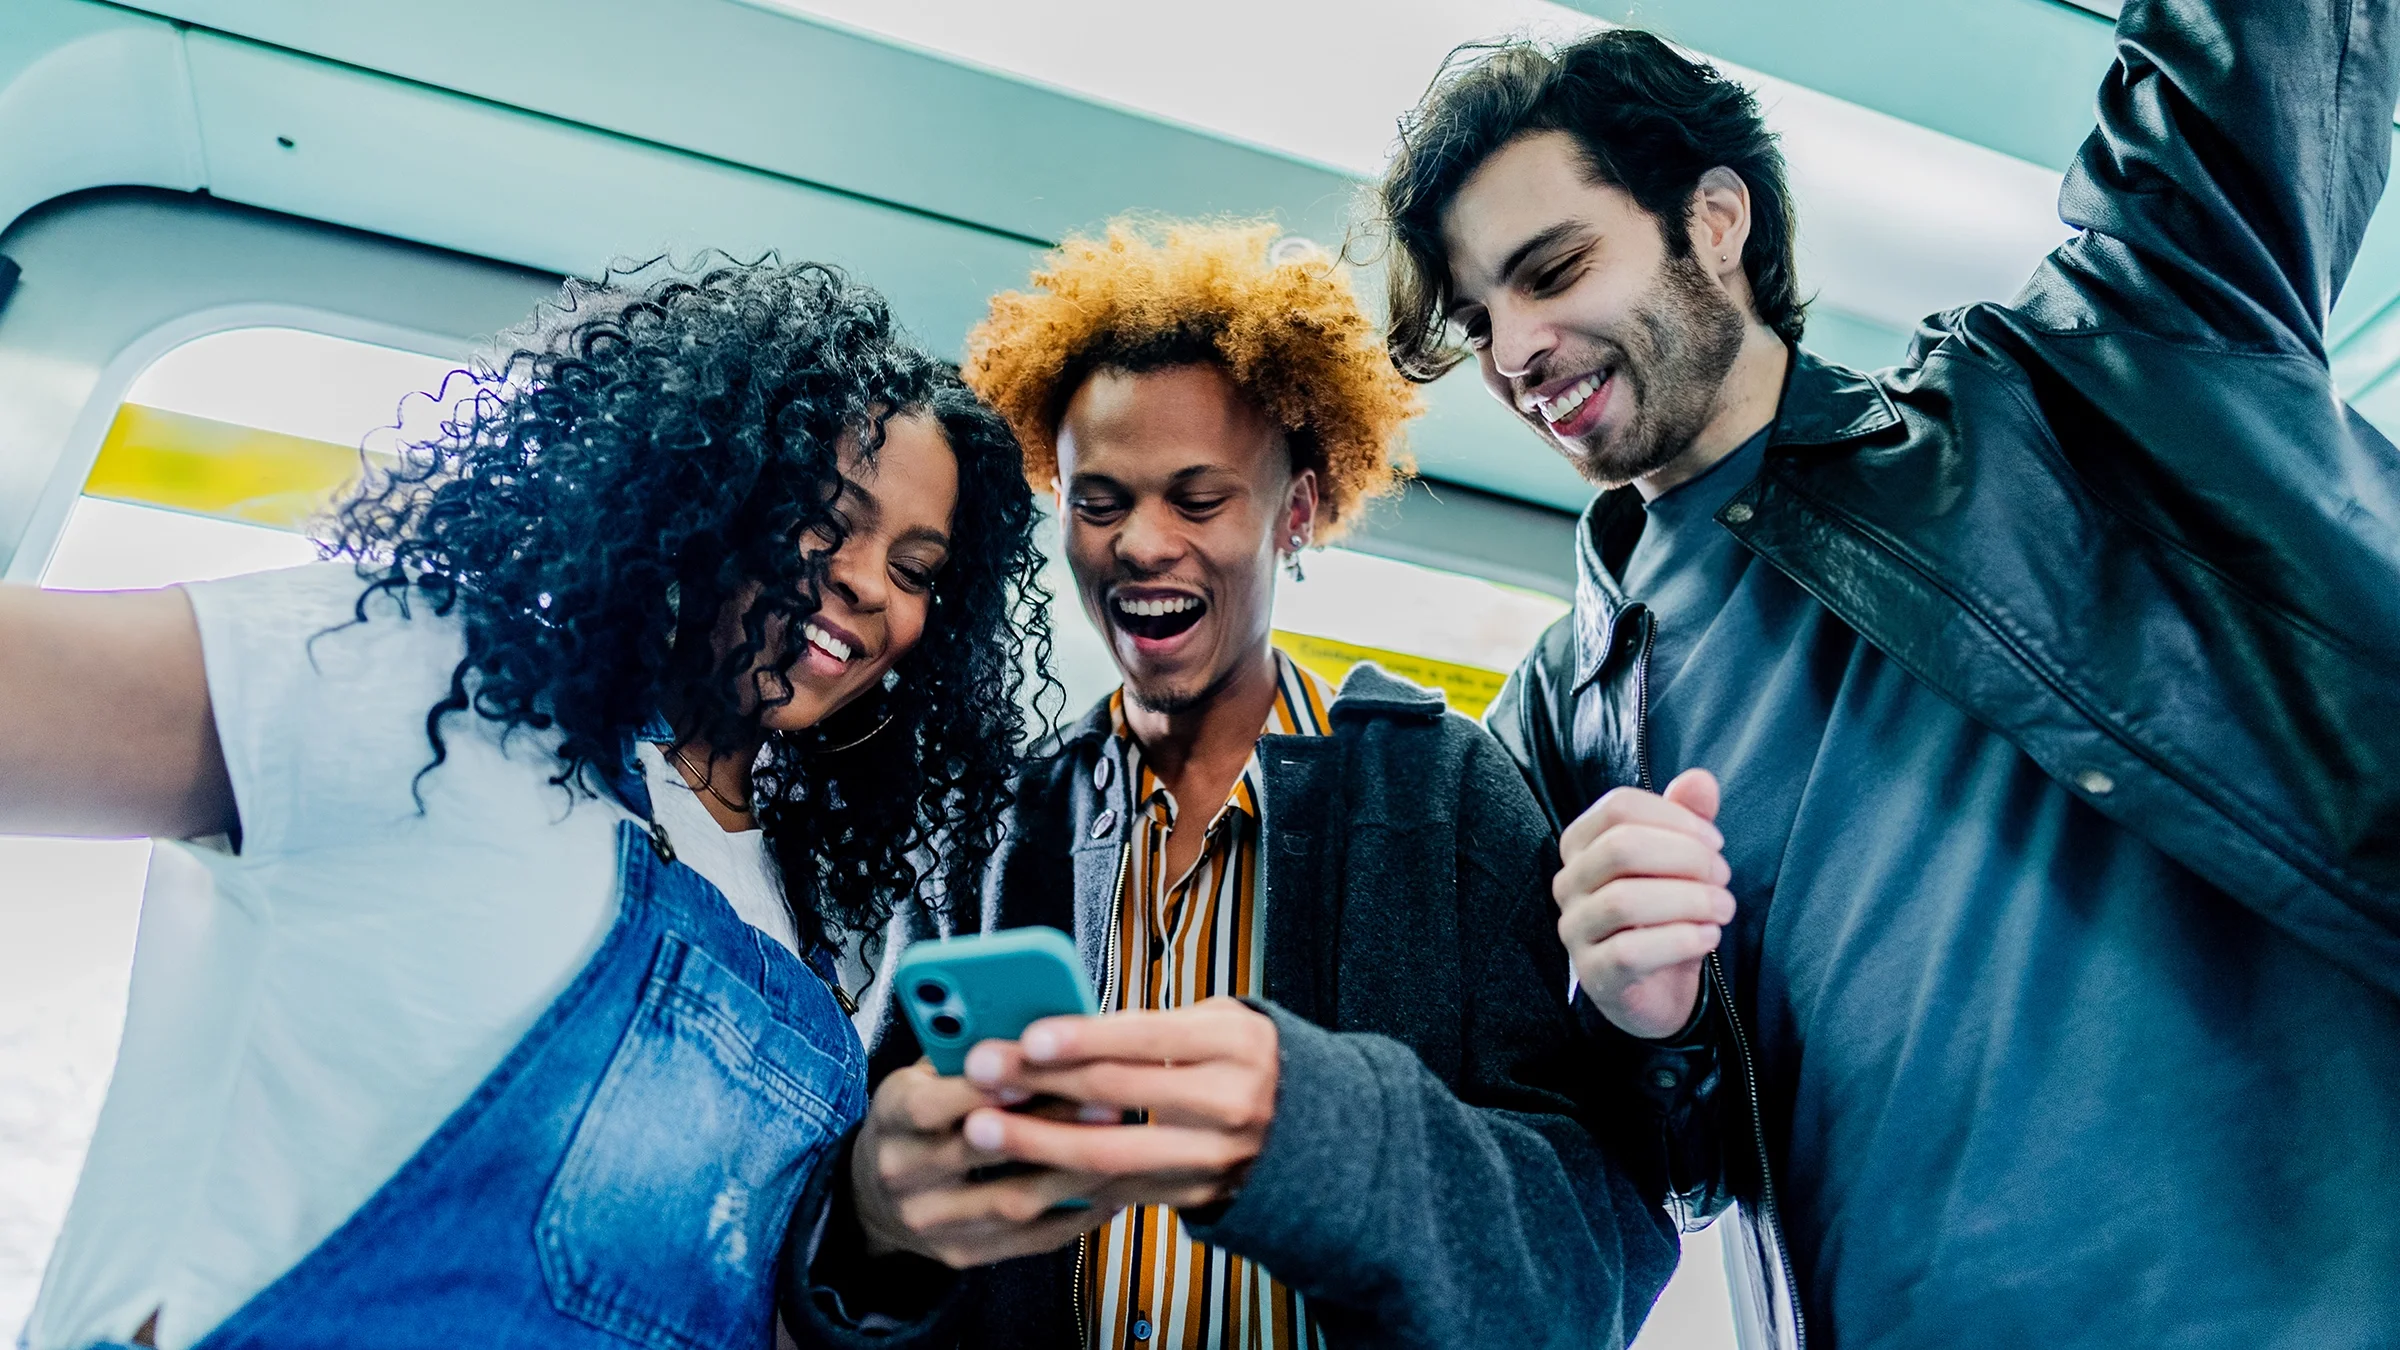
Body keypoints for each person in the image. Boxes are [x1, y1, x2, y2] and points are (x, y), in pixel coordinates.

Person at [1373, 0, 2400, 1344]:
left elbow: (2264, 49)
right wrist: (1641, 1023)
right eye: (1476, 314)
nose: (1513, 351)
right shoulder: (1559, 723)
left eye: (1553, 269)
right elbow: (1644, 1183)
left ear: (1718, 221)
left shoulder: (2082, 383)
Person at [3, 259, 1052, 1350]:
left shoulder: (823, 946)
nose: (870, 583)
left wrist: (888, 1217)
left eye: (918, 567)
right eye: (825, 516)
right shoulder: (418, 677)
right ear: (703, 489)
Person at [782, 221, 1677, 1350]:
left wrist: (1322, 1130)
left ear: (1296, 511)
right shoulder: (993, 832)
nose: (1142, 545)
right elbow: (855, 1244)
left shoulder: (1445, 795)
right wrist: (872, 1212)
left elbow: (1597, 1249)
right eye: (1099, 502)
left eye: (1199, 500)